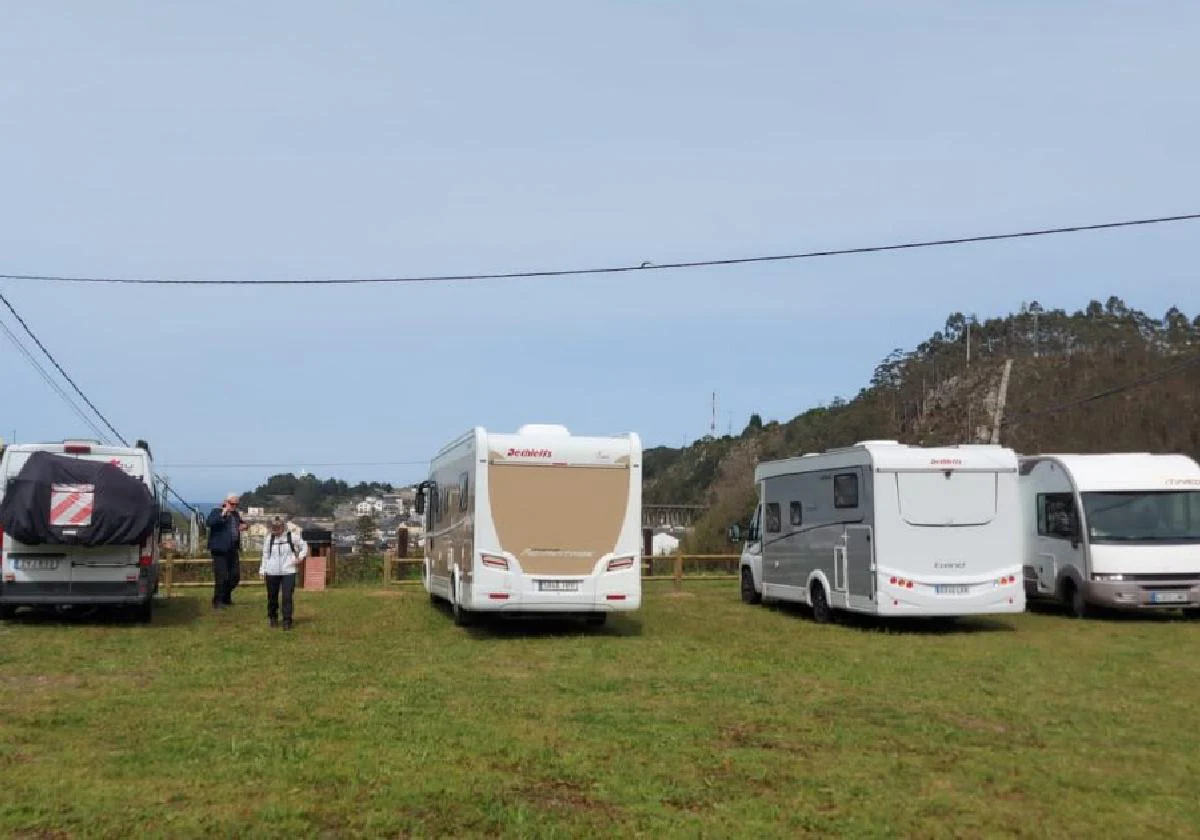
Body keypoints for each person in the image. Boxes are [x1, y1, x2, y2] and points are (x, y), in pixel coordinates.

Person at [259, 517, 307, 630]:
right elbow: (265, 555)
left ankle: (287, 620)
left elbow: (304, 546)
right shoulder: (269, 539)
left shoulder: (291, 537)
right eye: (273, 528)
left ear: (283, 527)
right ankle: (273, 617)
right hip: (272, 571)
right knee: (272, 597)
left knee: (287, 596)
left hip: (288, 571)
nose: (275, 531)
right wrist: (262, 570)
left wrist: (300, 558)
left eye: (277, 528)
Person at [206, 493, 246, 609]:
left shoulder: (235, 514)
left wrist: (244, 526)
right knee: (222, 576)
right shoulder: (217, 511)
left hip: (233, 549)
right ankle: (217, 601)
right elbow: (210, 523)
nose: (234, 506)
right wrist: (223, 514)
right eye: (232, 504)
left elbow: (242, 523)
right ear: (226, 502)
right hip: (220, 549)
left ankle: (226, 597)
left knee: (235, 576)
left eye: (236, 504)